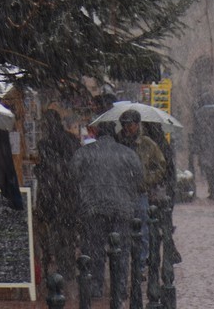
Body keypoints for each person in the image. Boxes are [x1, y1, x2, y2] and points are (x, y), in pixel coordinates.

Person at [70, 122, 144, 295]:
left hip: (93, 207)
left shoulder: (84, 153)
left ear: (96, 134)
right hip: (122, 208)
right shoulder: (128, 154)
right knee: (121, 249)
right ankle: (120, 286)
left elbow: (73, 174)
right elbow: (139, 178)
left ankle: (96, 285)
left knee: (94, 247)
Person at [33, 108, 79, 284]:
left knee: (51, 232)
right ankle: (66, 267)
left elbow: (46, 167)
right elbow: (75, 167)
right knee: (67, 231)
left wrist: (41, 171)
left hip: (51, 194)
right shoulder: (72, 140)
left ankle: (51, 266)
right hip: (68, 194)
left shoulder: (45, 144)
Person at [117, 109, 166, 267]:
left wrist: (146, 181)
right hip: (121, 192)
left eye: (130, 125)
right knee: (123, 229)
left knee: (143, 229)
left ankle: (141, 263)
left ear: (137, 125)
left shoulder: (147, 144)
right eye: (124, 125)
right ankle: (125, 261)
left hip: (140, 193)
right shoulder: (117, 141)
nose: (127, 128)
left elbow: (160, 166)